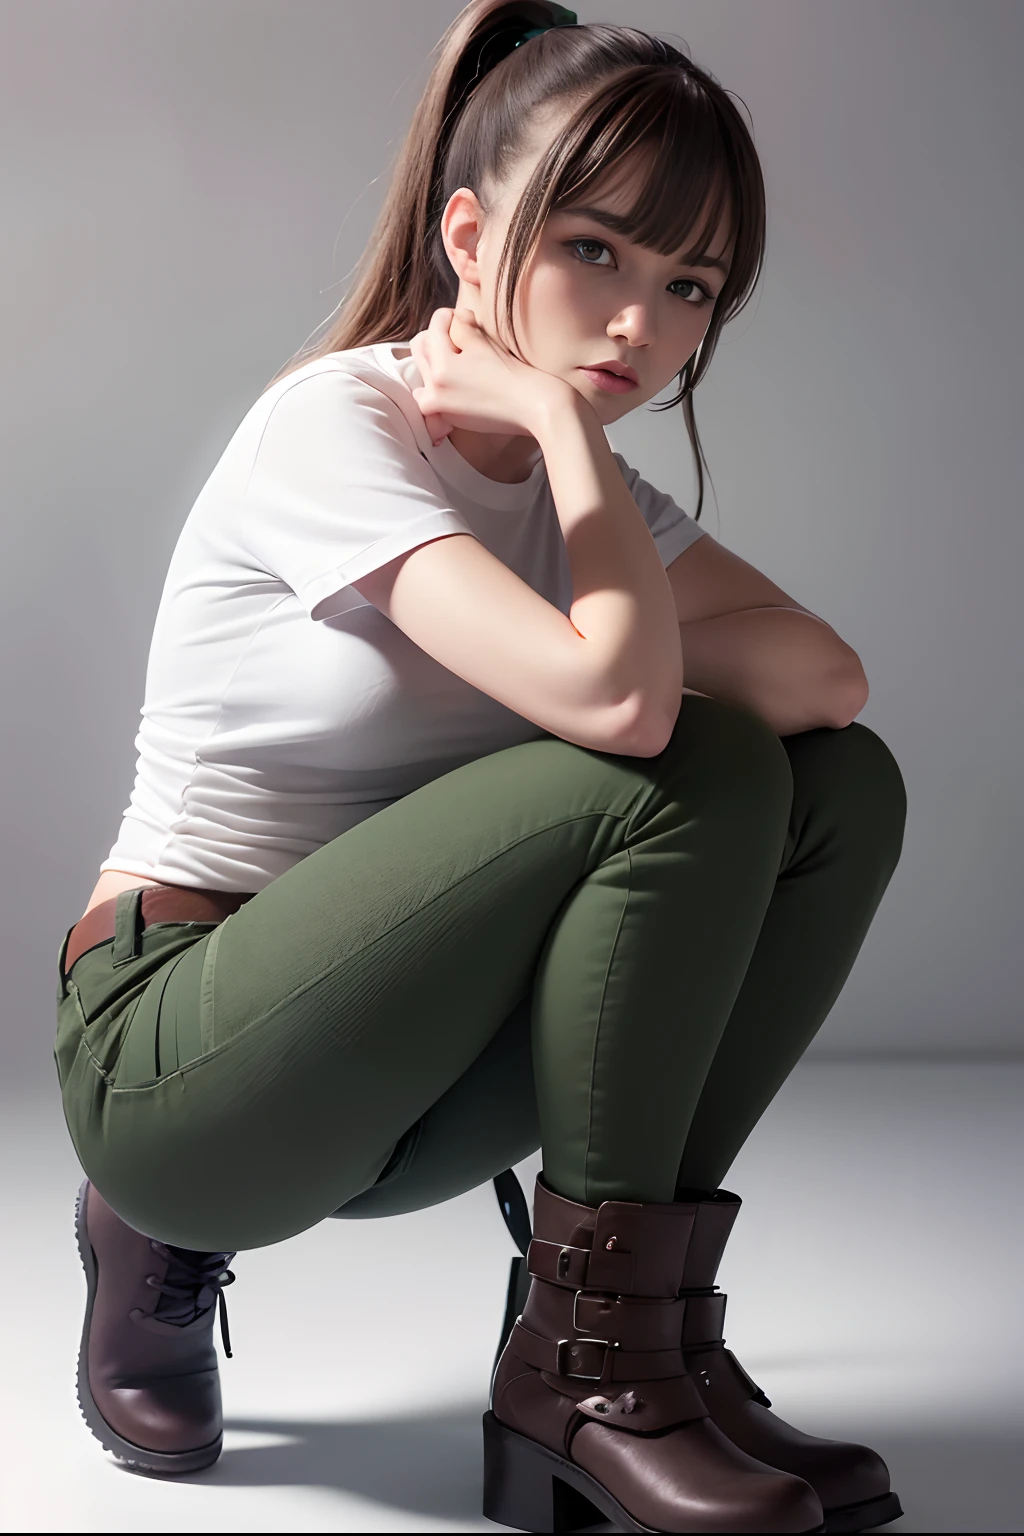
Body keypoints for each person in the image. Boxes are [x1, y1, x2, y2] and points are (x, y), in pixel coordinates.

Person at [53, 2, 908, 1531]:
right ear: (468, 233)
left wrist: (570, 475)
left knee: (839, 788)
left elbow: (824, 678)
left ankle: (628, 1348)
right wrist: (580, 474)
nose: (638, 322)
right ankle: (156, 1240)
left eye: (687, 283)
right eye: (594, 250)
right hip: (184, 1063)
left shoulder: (590, 500)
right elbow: (625, 710)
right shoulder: (337, 430)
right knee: (674, 760)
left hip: (407, 1059)